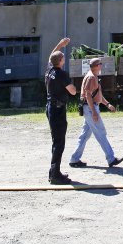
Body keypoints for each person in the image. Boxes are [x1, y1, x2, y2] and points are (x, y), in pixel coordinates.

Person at [69, 57, 123, 169]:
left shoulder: (93, 76)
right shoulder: (91, 77)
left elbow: (97, 95)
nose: (101, 66)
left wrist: (107, 104)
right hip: (90, 108)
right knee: (101, 133)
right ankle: (111, 159)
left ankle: (74, 159)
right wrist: (93, 112)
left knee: (85, 135)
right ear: (96, 66)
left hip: (90, 108)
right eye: (100, 64)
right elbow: (88, 95)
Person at [45, 37, 77, 185]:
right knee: (59, 143)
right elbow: (72, 92)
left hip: (50, 107)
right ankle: (55, 175)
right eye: (63, 57)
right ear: (61, 61)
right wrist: (75, 86)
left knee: (55, 141)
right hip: (58, 110)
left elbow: (52, 55)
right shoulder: (61, 74)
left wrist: (60, 45)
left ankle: (54, 171)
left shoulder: (49, 70)